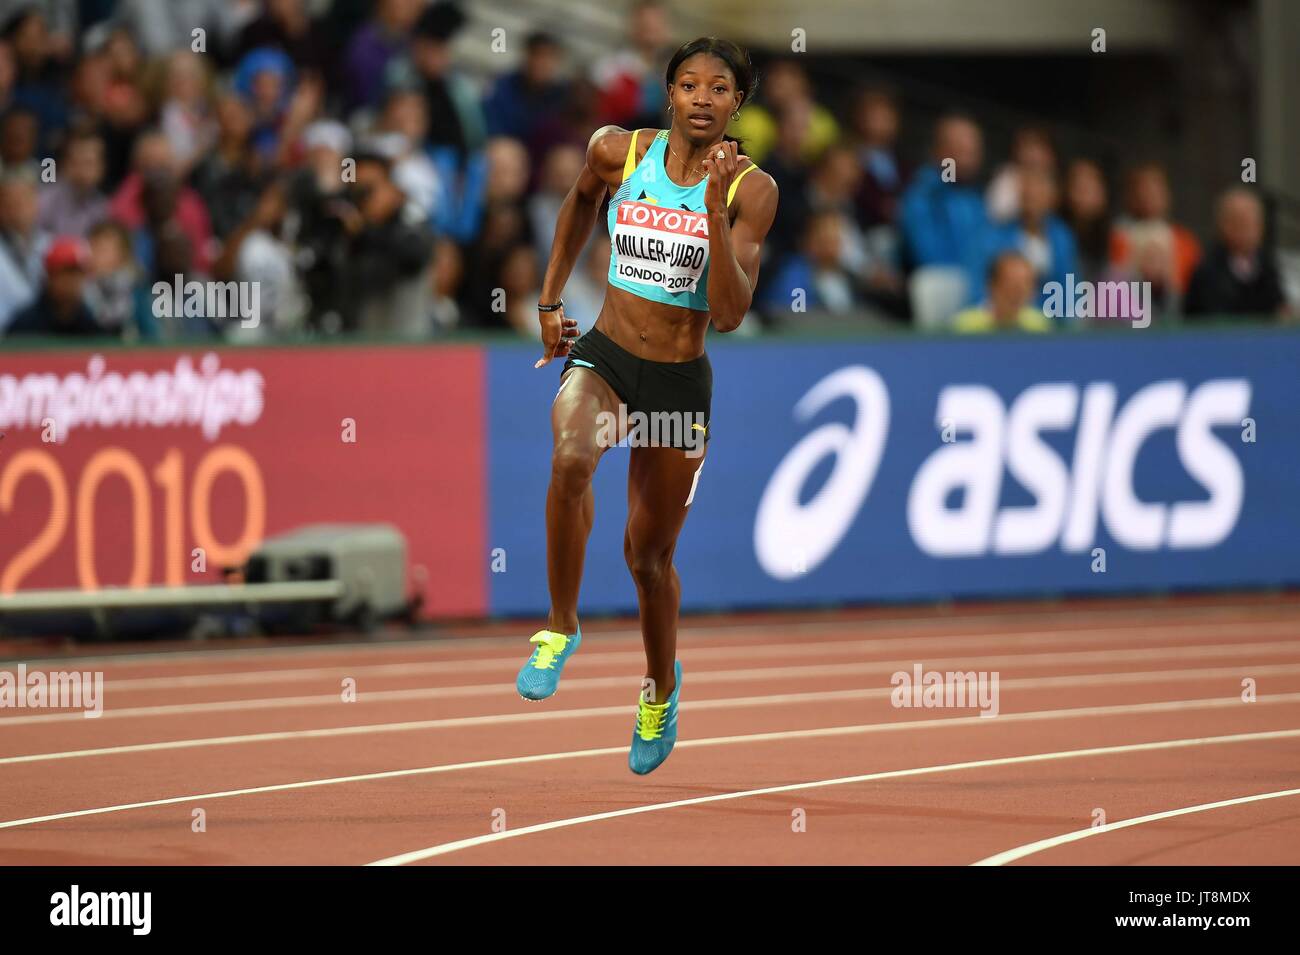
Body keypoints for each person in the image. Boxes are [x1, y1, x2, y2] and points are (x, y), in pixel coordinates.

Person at [515, 37, 777, 775]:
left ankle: (660, 686)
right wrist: (548, 298)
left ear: (736, 105)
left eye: (718, 89)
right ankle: (560, 626)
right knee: (570, 459)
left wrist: (716, 221)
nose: (701, 97)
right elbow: (577, 203)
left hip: (676, 384)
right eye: (688, 84)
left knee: (649, 557)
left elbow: (727, 313)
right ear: (668, 93)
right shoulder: (617, 152)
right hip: (607, 355)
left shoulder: (751, 191)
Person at [1184, 187, 1288, 321]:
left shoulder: (1267, 265)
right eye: (1243, 222)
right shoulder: (1207, 269)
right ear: (1224, 225)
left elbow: (1278, 307)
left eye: (1255, 222)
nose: (1250, 230)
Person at [5, 235, 102, 337]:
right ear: (49, 276)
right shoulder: (25, 325)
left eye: (79, 273)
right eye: (66, 273)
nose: (73, 281)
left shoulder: (92, 323)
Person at [952, 251, 1051, 332]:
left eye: (1025, 286)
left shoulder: (1040, 325)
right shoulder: (965, 327)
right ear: (991, 286)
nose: (1017, 295)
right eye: (1011, 286)